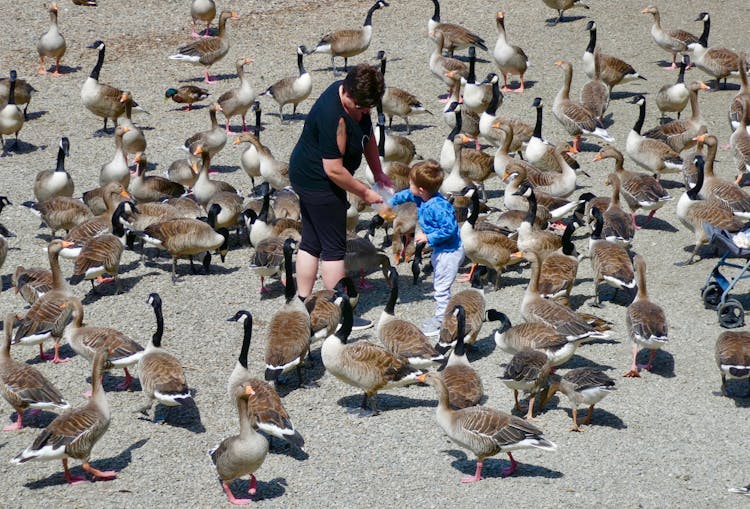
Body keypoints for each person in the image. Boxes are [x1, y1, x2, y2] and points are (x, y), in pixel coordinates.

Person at [289, 63, 393, 330]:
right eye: (360, 107)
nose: (365, 112)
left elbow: (367, 135)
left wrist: (378, 172)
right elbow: (333, 170)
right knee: (334, 250)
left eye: (368, 107)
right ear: (347, 93)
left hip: (306, 174)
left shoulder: (355, 98)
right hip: (318, 182)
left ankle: (302, 303)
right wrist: (366, 192)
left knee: (311, 241)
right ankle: (338, 312)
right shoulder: (332, 115)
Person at [387, 160, 464, 336]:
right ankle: (443, 316)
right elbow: (406, 195)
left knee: (441, 288)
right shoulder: (422, 196)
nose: (409, 186)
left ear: (421, 189)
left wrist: (428, 237)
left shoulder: (437, 206)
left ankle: (442, 321)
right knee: (439, 283)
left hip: (449, 252)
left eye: (411, 183)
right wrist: (388, 201)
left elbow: (449, 229)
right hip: (441, 250)